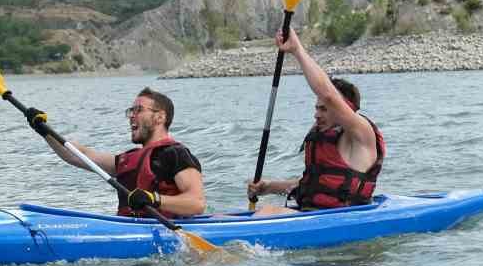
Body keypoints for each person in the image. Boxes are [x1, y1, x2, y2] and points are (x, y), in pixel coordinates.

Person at [247, 27, 385, 214]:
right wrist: (269, 186)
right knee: (225, 216)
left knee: (267, 213)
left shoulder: (360, 133)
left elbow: (328, 94)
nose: (316, 115)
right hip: (313, 214)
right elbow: (314, 183)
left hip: (343, 219)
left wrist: (297, 50)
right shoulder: (325, 134)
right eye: (316, 108)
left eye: (324, 109)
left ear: (344, 108)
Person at [25, 88, 206, 218]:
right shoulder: (127, 159)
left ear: (160, 117)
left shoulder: (175, 153)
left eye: (139, 110)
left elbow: (197, 203)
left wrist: (154, 199)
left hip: (166, 231)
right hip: (129, 227)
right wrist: (44, 131)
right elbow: (75, 155)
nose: (131, 116)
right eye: (130, 111)